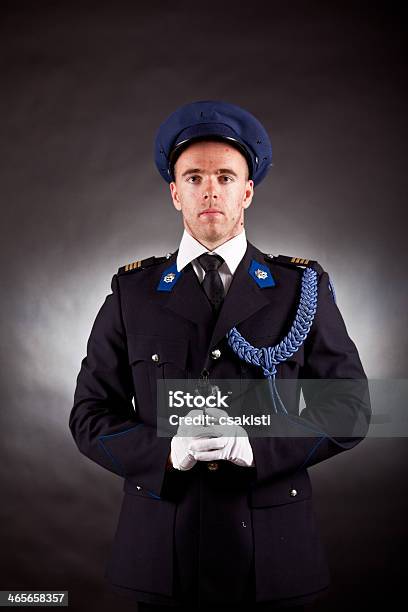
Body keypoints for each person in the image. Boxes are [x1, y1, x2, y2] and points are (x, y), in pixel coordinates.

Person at [69, 100, 371, 611]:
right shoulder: (132, 293)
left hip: (271, 554)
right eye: (194, 177)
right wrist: (165, 452)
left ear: (247, 191)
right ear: (174, 193)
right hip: (164, 553)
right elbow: (88, 416)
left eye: (226, 177)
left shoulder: (303, 287)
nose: (210, 189)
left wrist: (256, 445)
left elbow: (354, 407)